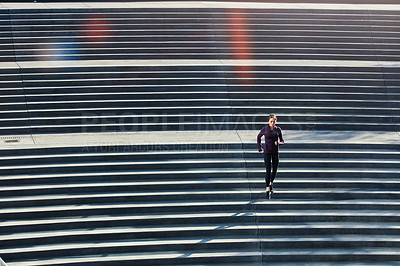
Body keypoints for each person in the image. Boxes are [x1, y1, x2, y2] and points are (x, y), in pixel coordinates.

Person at [257, 114, 284, 199]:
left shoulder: (278, 129)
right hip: (267, 152)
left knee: (275, 170)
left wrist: (278, 143)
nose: (272, 123)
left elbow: (282, 140)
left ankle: (271, 182)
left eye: (274, 121)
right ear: (268, 121)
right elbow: (258, 137)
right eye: (271, 121)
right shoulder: (265, 129)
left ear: (276, 121)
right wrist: (260, 147)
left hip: (275, 151)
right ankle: (267, 189)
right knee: (268, 170)